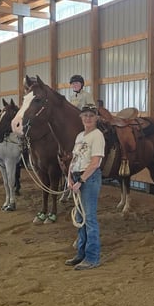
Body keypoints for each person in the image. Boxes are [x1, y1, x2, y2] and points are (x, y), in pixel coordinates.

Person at [65, 104, 105, 271]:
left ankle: (92, 257)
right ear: (81, 118)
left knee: (89, 219)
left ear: (96, 118)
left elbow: (95, 163)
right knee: (80, 219)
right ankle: (81, 253)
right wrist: (69, 178)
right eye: (85, 115)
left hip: (88, 178)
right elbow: (74, 159)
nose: (88, 118)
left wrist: (80, 180)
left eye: (91, 115)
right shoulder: (80, 136)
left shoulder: (98, 136)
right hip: (77, 177)